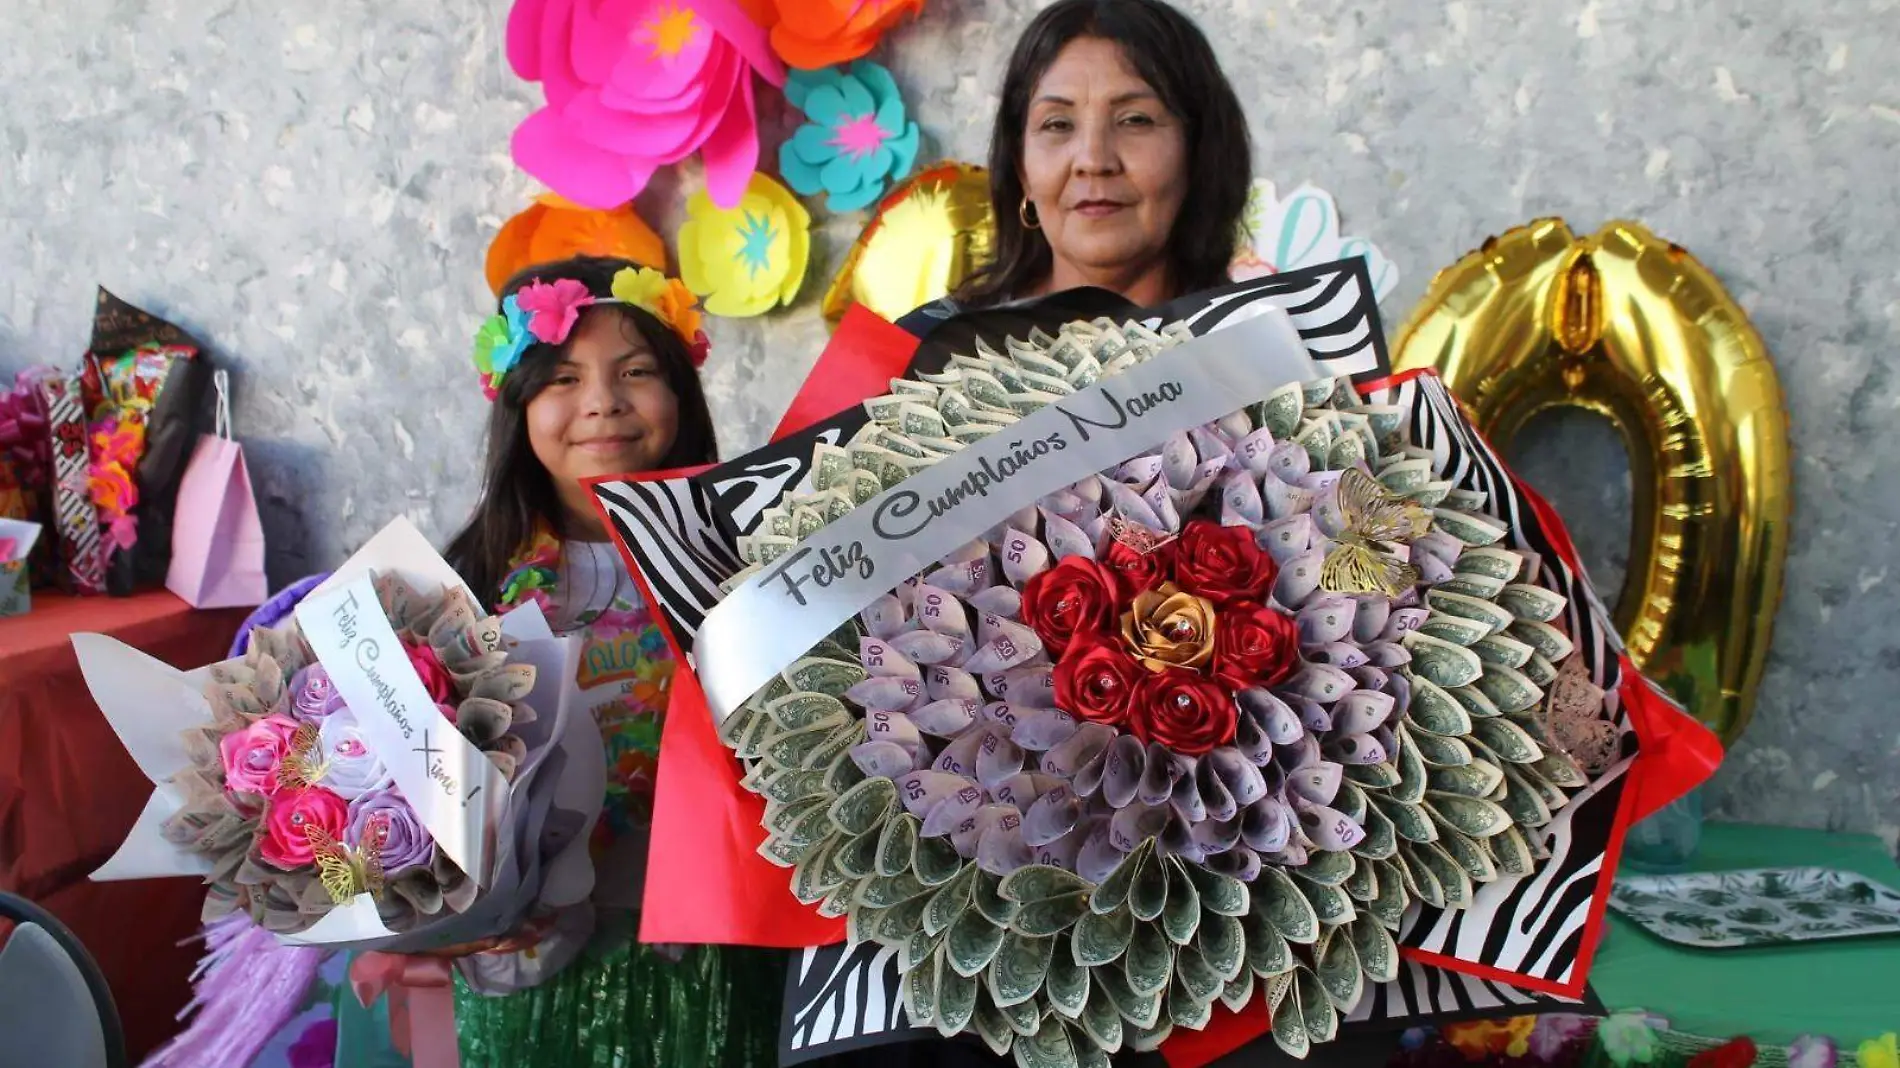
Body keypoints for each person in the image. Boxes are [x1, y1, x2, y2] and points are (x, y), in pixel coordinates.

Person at [443, 254, 780, 1068]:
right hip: (534, 973)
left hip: (717, 950)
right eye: (563, 377)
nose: (602, 402)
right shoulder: (467, 583)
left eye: (636, 371)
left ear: (682, 394)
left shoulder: (755, 558)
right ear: (516, 401)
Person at [900, 0, 1251, 341]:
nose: (1093, 161)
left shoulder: (1270, 355)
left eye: (1135, 120)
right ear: (1021, 169)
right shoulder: (922, 354)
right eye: (1057, 124)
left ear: (1199, 152)